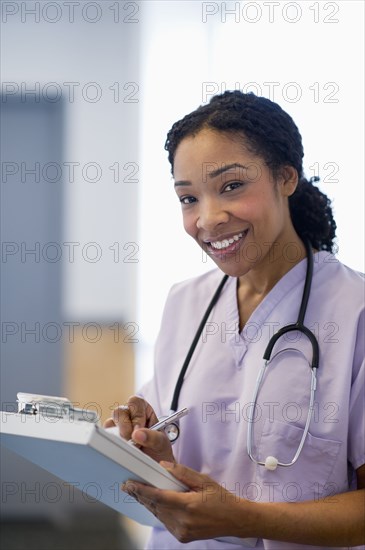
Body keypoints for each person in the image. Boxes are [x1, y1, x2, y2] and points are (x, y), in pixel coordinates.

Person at [105, 91, 365, 549]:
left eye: (231, 186)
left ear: (286, 178)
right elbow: (178, 438)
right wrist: (149, 445)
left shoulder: (355, 311)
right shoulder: (185, 302)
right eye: (188, 198)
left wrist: (244, 518)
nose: (208, 219)